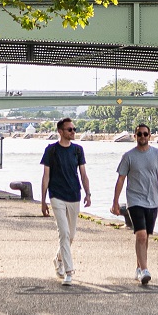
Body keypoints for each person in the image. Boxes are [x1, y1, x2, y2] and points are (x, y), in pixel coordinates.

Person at [111, 124, 158, 287]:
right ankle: (145, 270)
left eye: (145, 134)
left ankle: (139, 267)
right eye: (139, 134)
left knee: (145, 236)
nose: (142, 136)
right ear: (135, 136)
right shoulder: (128, 156)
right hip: (135, 200)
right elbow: (120, 179)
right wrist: (115, 202)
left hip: (153, 200)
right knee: (140, 235)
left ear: (150, 135)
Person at [39, 117, 90, 286]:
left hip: (74, 195)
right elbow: (46, 176)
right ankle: (69, 271)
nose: (73, 132)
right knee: (64, 233)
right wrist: (43, 200)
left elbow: (83, 174)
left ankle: (58, 259)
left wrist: (88, 193)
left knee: (71, 236)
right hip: (56, 196)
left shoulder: (78, 150)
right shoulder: (51, 150)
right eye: (70, 129)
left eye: (74, 129)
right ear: (60, 132)